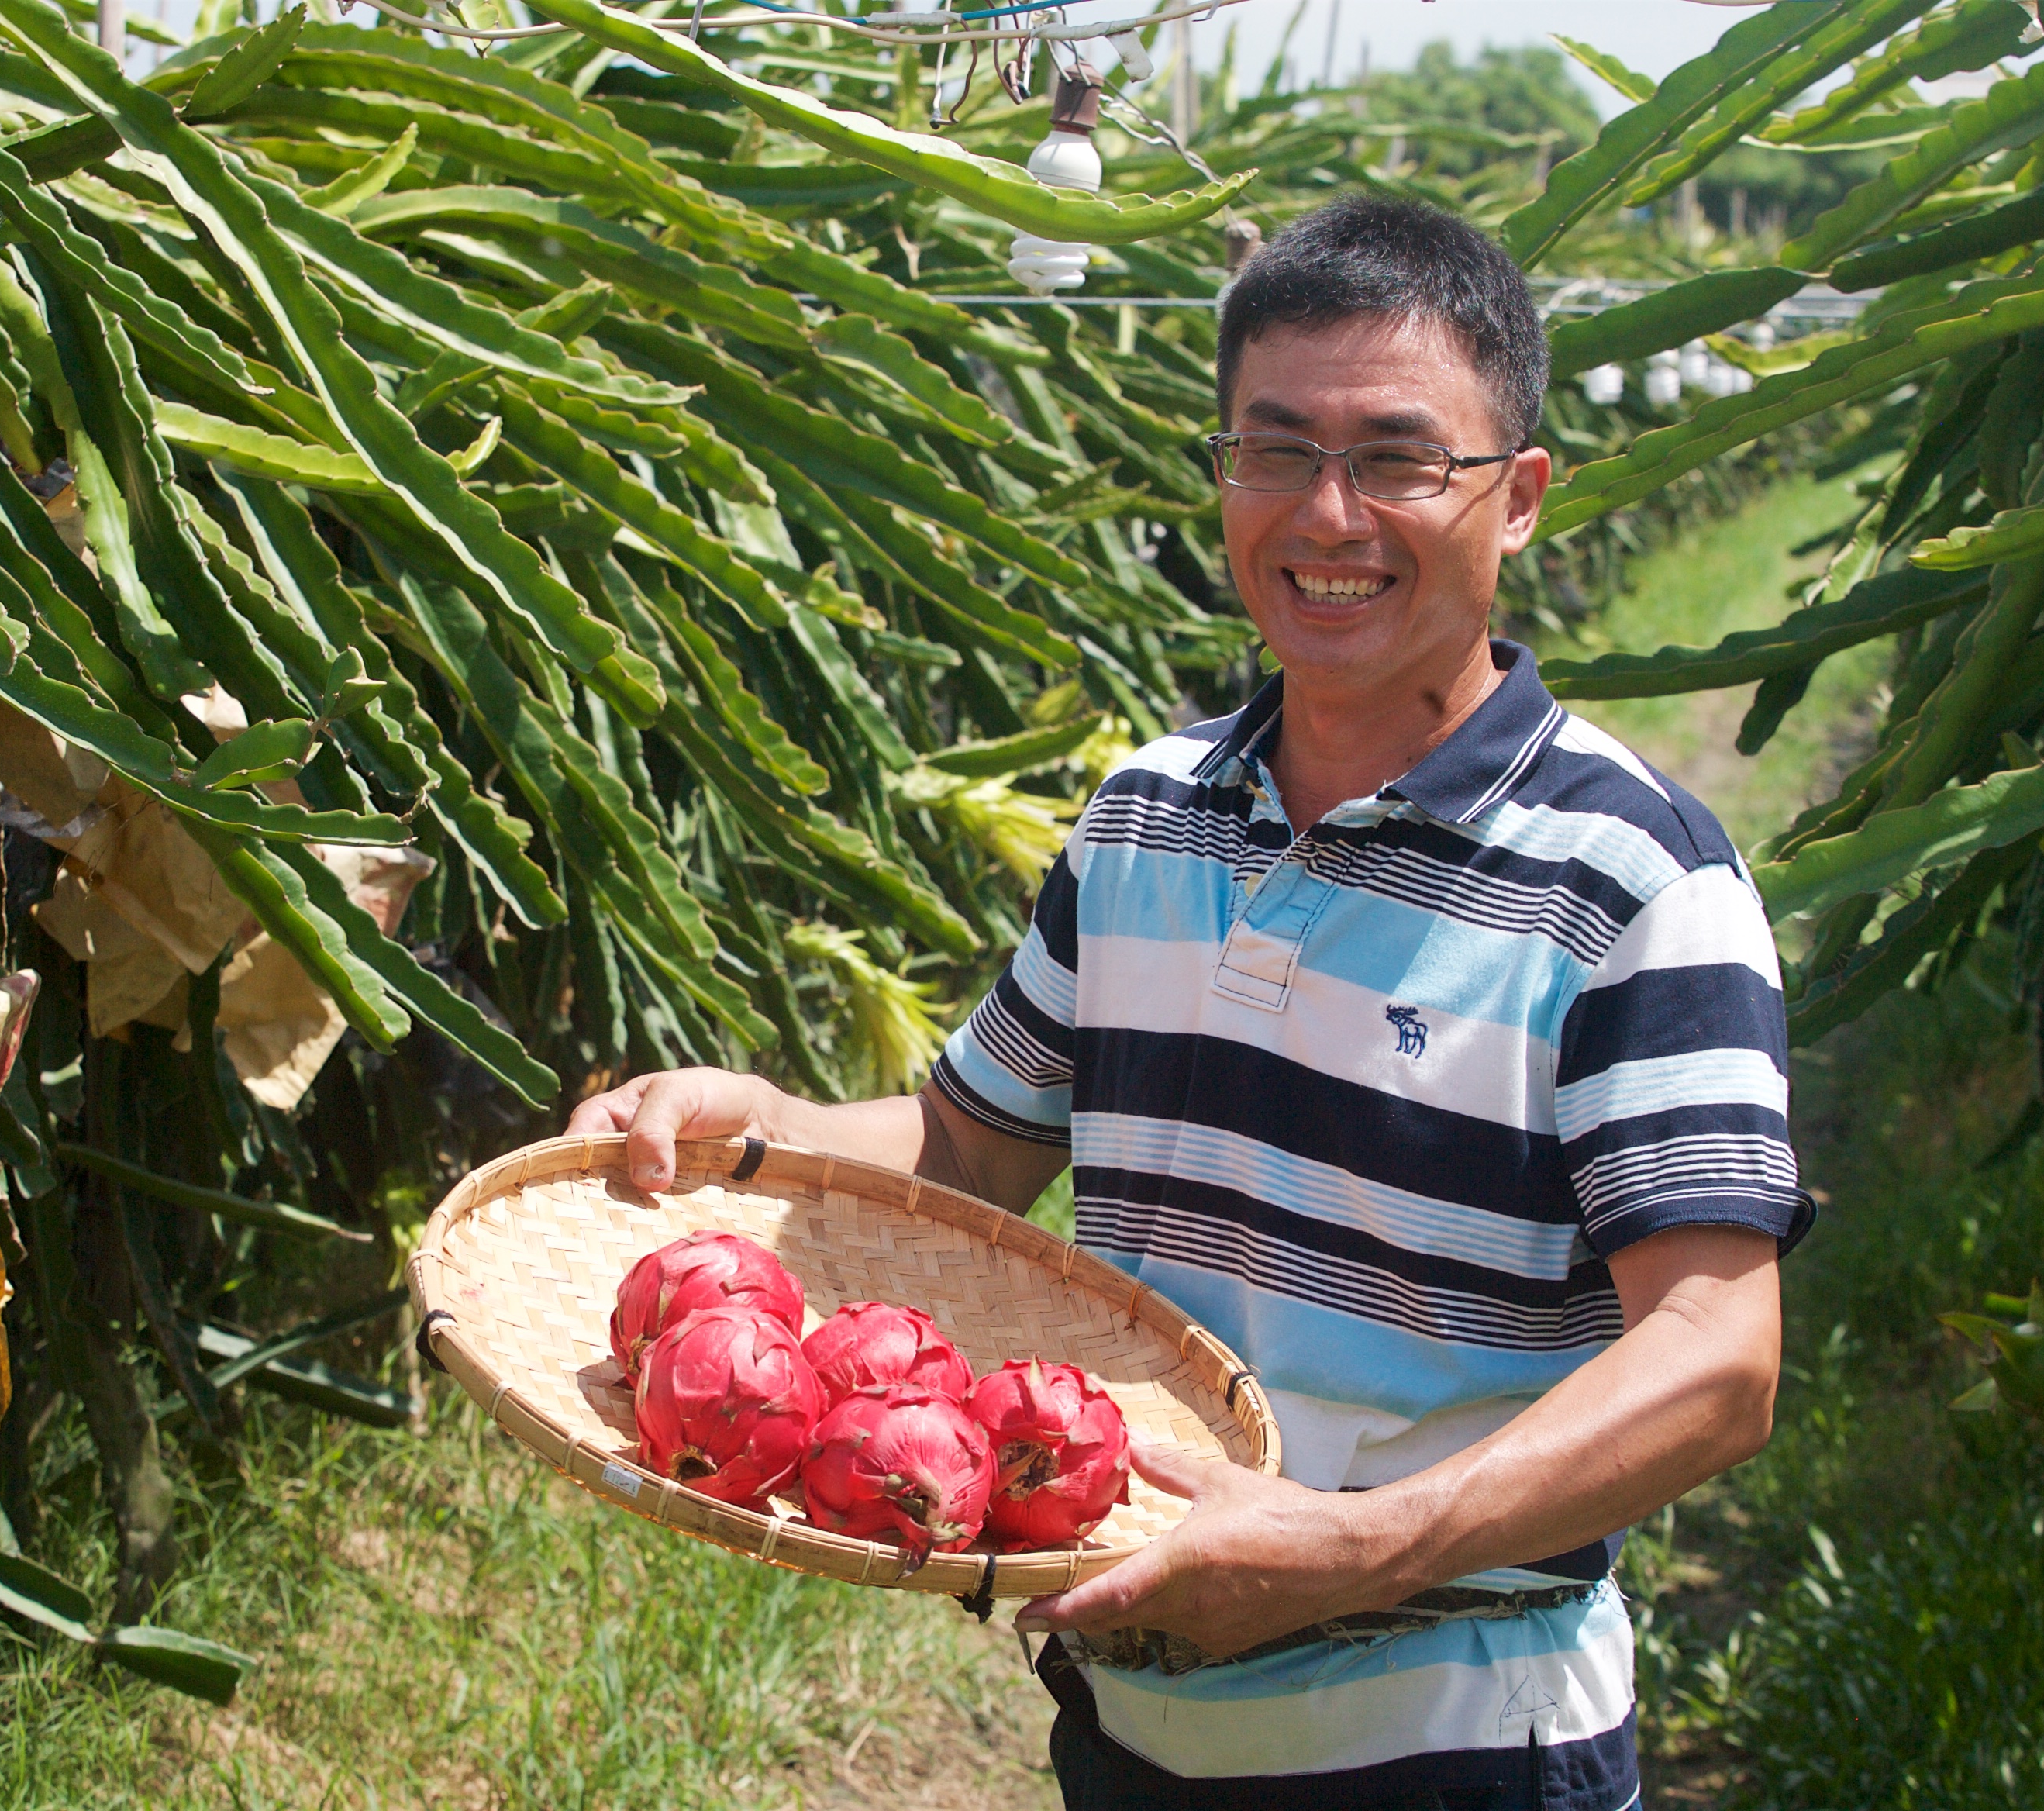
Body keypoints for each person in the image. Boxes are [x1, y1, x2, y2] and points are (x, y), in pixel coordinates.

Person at [569, 191, 1805, 1811]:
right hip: (1132, 1725)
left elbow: (1720, 1356)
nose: (1329, 513)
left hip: (1456, 1750)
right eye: (1275, 451)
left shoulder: (1633, 878)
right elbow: (973, 1150)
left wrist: (1349, 1549)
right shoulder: (1146, 815)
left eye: (1400, 458)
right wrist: (770, 1132)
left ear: (1518, 500)